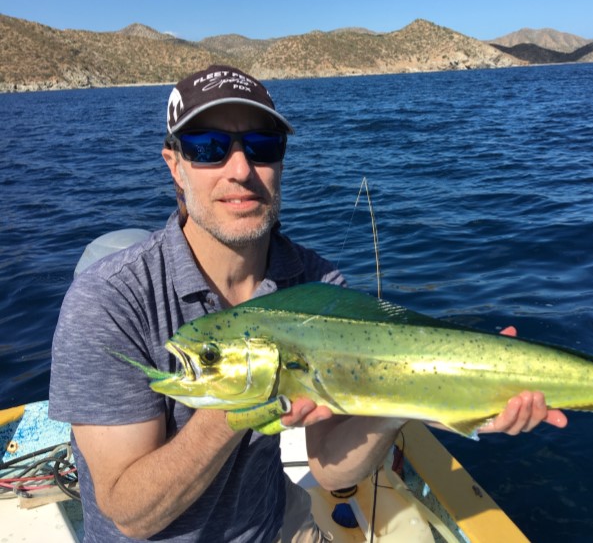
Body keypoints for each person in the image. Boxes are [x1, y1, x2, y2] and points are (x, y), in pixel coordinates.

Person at [49, 65, 567, 542]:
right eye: (208, 147)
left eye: (262, 145)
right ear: (174, 164)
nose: (240, 169)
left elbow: (329, 470)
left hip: (275, 524)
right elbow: (131, 514)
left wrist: (404, 401)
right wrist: (236, 408)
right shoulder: (108, 299)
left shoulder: (316, 281)